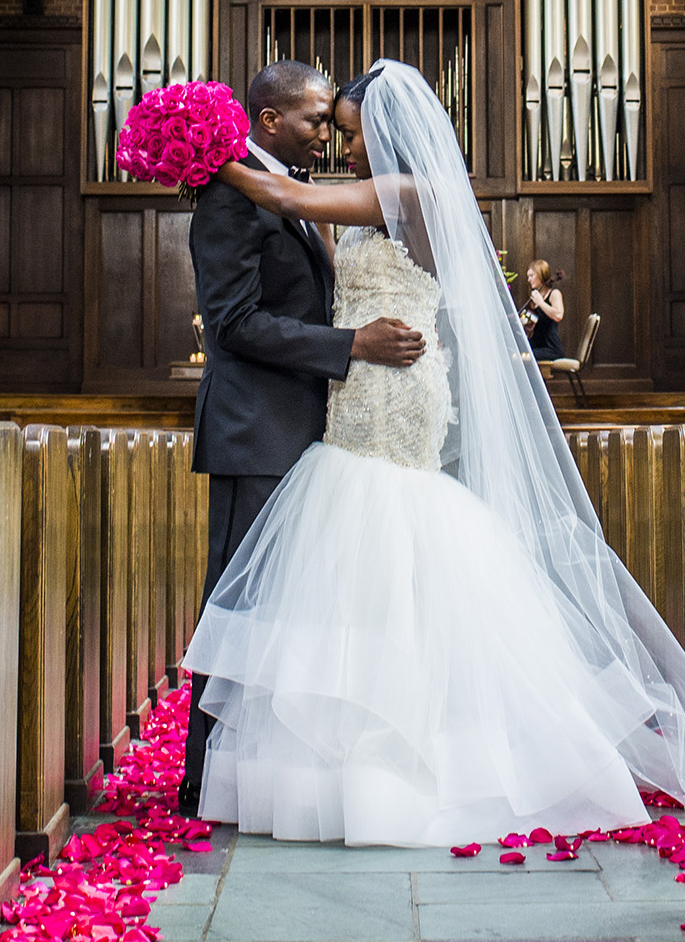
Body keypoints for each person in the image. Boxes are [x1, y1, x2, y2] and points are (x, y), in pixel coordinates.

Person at [178, 59, 685, 845]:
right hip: (361, 384)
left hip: (387, 386)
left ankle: (370, 759)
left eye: (345, 133)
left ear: (382, 135)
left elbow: (285, 196)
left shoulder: (403, 194)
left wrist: (203, 150)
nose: (338, 147)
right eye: (327, 130)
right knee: (358, 563)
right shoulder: (383, 202)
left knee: (371, 541)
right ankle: (290, 762)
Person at [179, 59, 429, 819]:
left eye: (335, 123)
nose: (327, 134)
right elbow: (234, 324)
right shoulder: (233, 197)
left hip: (313, 432)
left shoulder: (294, 190)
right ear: (269, 119)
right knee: (237, 611)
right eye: (317, 119)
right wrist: (348, 345)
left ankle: (259, 772)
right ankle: (201, 780)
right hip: (255, 433)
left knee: (288, 615)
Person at [520, 258, 568, 358]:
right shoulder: (535, 298)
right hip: (536, 346)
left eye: (531, 276)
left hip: (550, 348)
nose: (529, 280)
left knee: (525, 358)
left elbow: (558, 315)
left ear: (541, 275)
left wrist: (541, 303)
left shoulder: (554, 294)